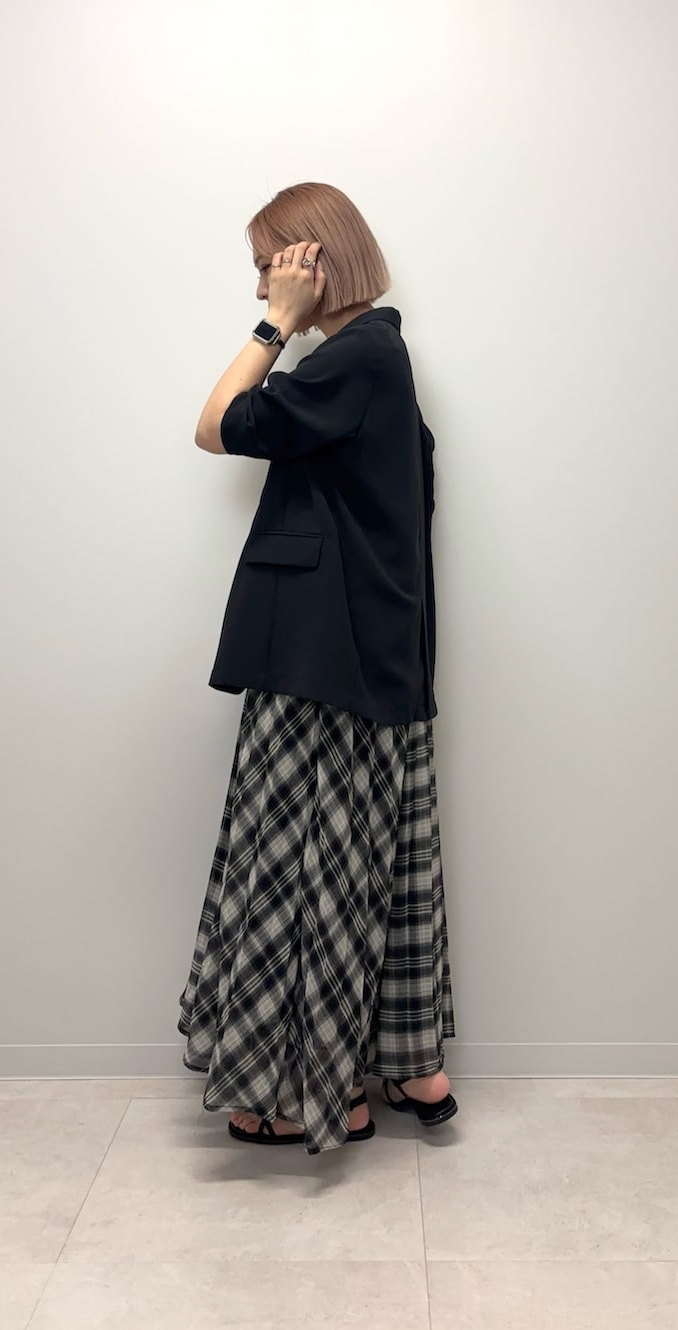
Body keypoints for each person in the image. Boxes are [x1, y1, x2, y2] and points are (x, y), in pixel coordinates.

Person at [178, 182, 457, 1156]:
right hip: (363, 650)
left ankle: (315, 1087)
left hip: (322, 654)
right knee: (355, 860)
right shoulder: (373, 359)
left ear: (311, 259)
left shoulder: (354, 357)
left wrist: (272, 327)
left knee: (302, 868)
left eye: (269, 263)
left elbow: (216, 423)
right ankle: (397, 1067)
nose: (261, 283)